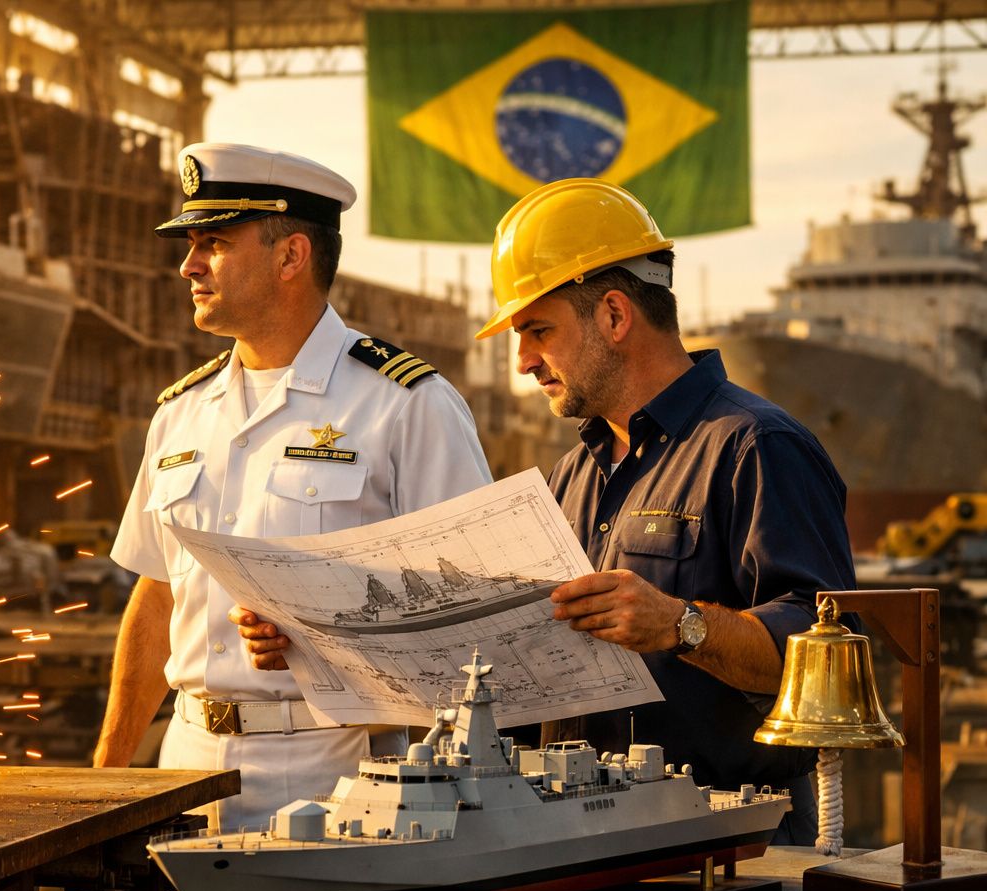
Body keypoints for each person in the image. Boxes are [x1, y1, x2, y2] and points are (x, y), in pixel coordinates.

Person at [239, 178, 855, 844]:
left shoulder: (756, 448)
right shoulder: (571, 477)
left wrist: (680, 625)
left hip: (728, 848)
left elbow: (831, 663)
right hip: (579, 841)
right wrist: (321, 647)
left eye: (538, 330)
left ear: (615, 316)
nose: (525, 360)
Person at [92, 142, 493, 830]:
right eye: (191, 245)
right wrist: (104, 780)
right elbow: (156, 594)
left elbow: (480, 603)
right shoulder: (181, 412)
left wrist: (327, 627)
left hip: (334, 767)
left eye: (214, 243)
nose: (188, 266)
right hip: (186, 761)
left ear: (291, 256)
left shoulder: (404, 403)